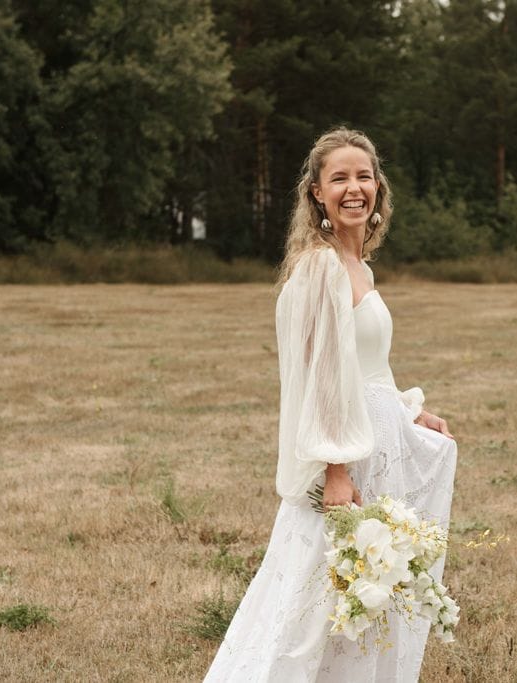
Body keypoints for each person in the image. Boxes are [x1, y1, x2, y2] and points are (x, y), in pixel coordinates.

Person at [204, 127, 458, 682]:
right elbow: (322, 378)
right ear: (316, 193)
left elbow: (368, 366)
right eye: (339, 178)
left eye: (363, 176)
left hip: (375, 438)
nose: (354, 188)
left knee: (361, 596)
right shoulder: (319, 269)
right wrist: (336, 472)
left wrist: (410, 411)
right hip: (343, 455)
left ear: (378, 188)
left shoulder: (359, 268)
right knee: (315, 599)